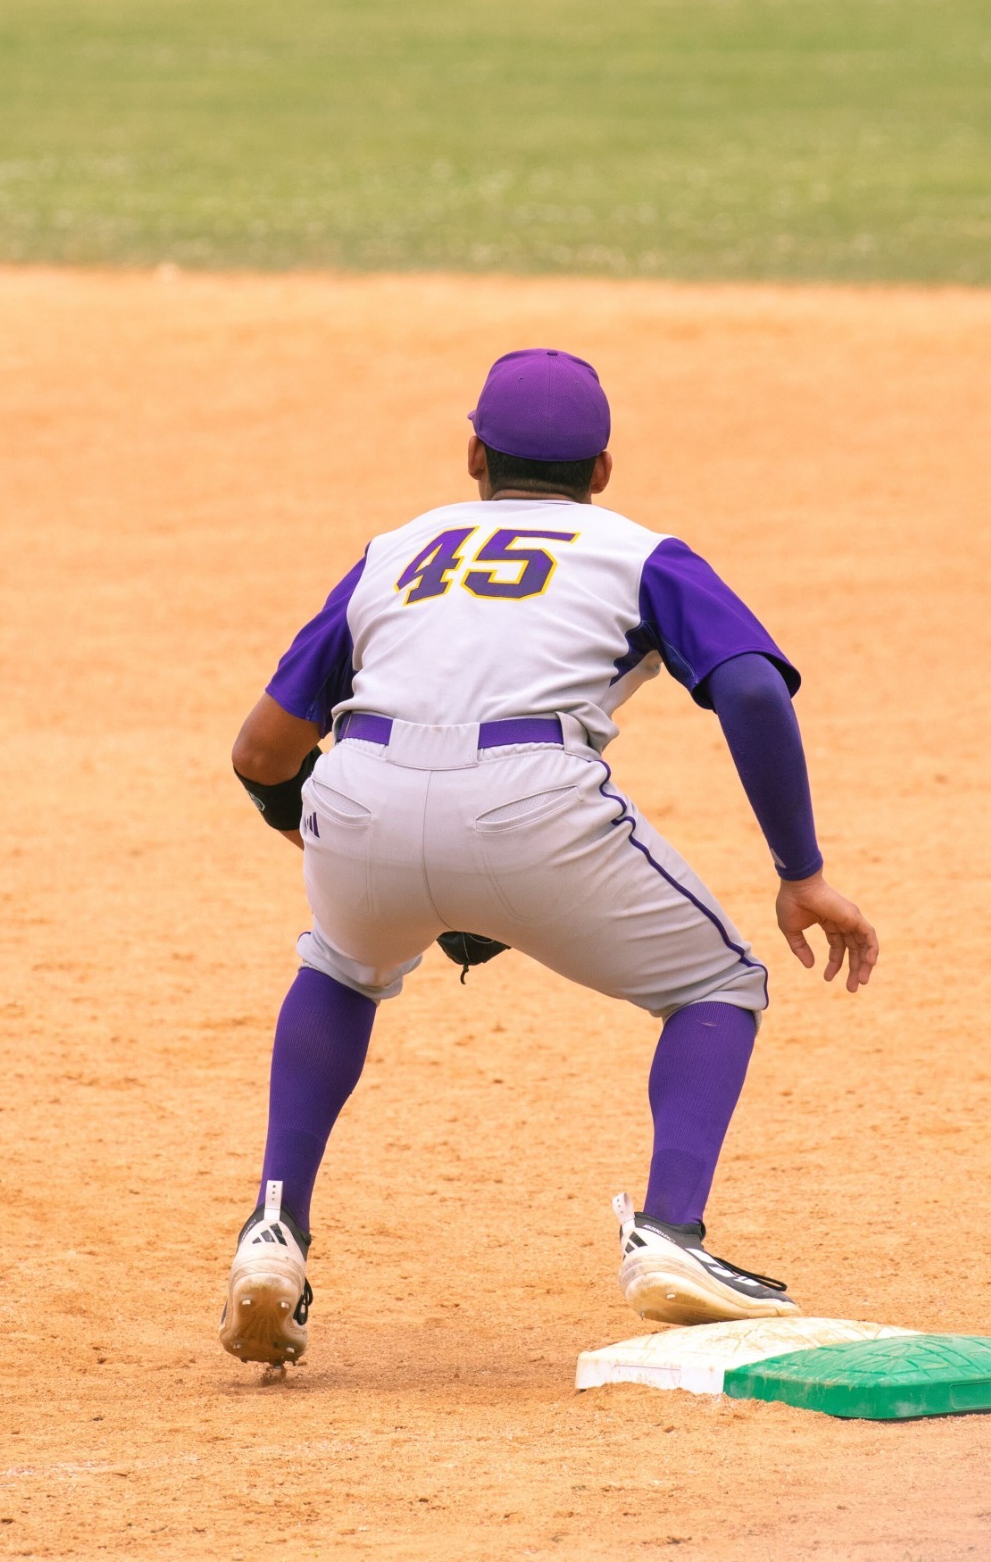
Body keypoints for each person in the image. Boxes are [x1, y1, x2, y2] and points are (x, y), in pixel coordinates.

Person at [220, 348, 879, 1366]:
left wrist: (339, 838)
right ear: (602, 470)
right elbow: (751, 689)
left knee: (341, 964)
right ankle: (669, 1233)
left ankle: (272, 1230)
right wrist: (800, 868)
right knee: (717, 982)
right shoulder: (640, 552)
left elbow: (260, 752)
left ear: (472, 454)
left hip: (355, 785)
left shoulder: (395, 548)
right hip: (529, 793)